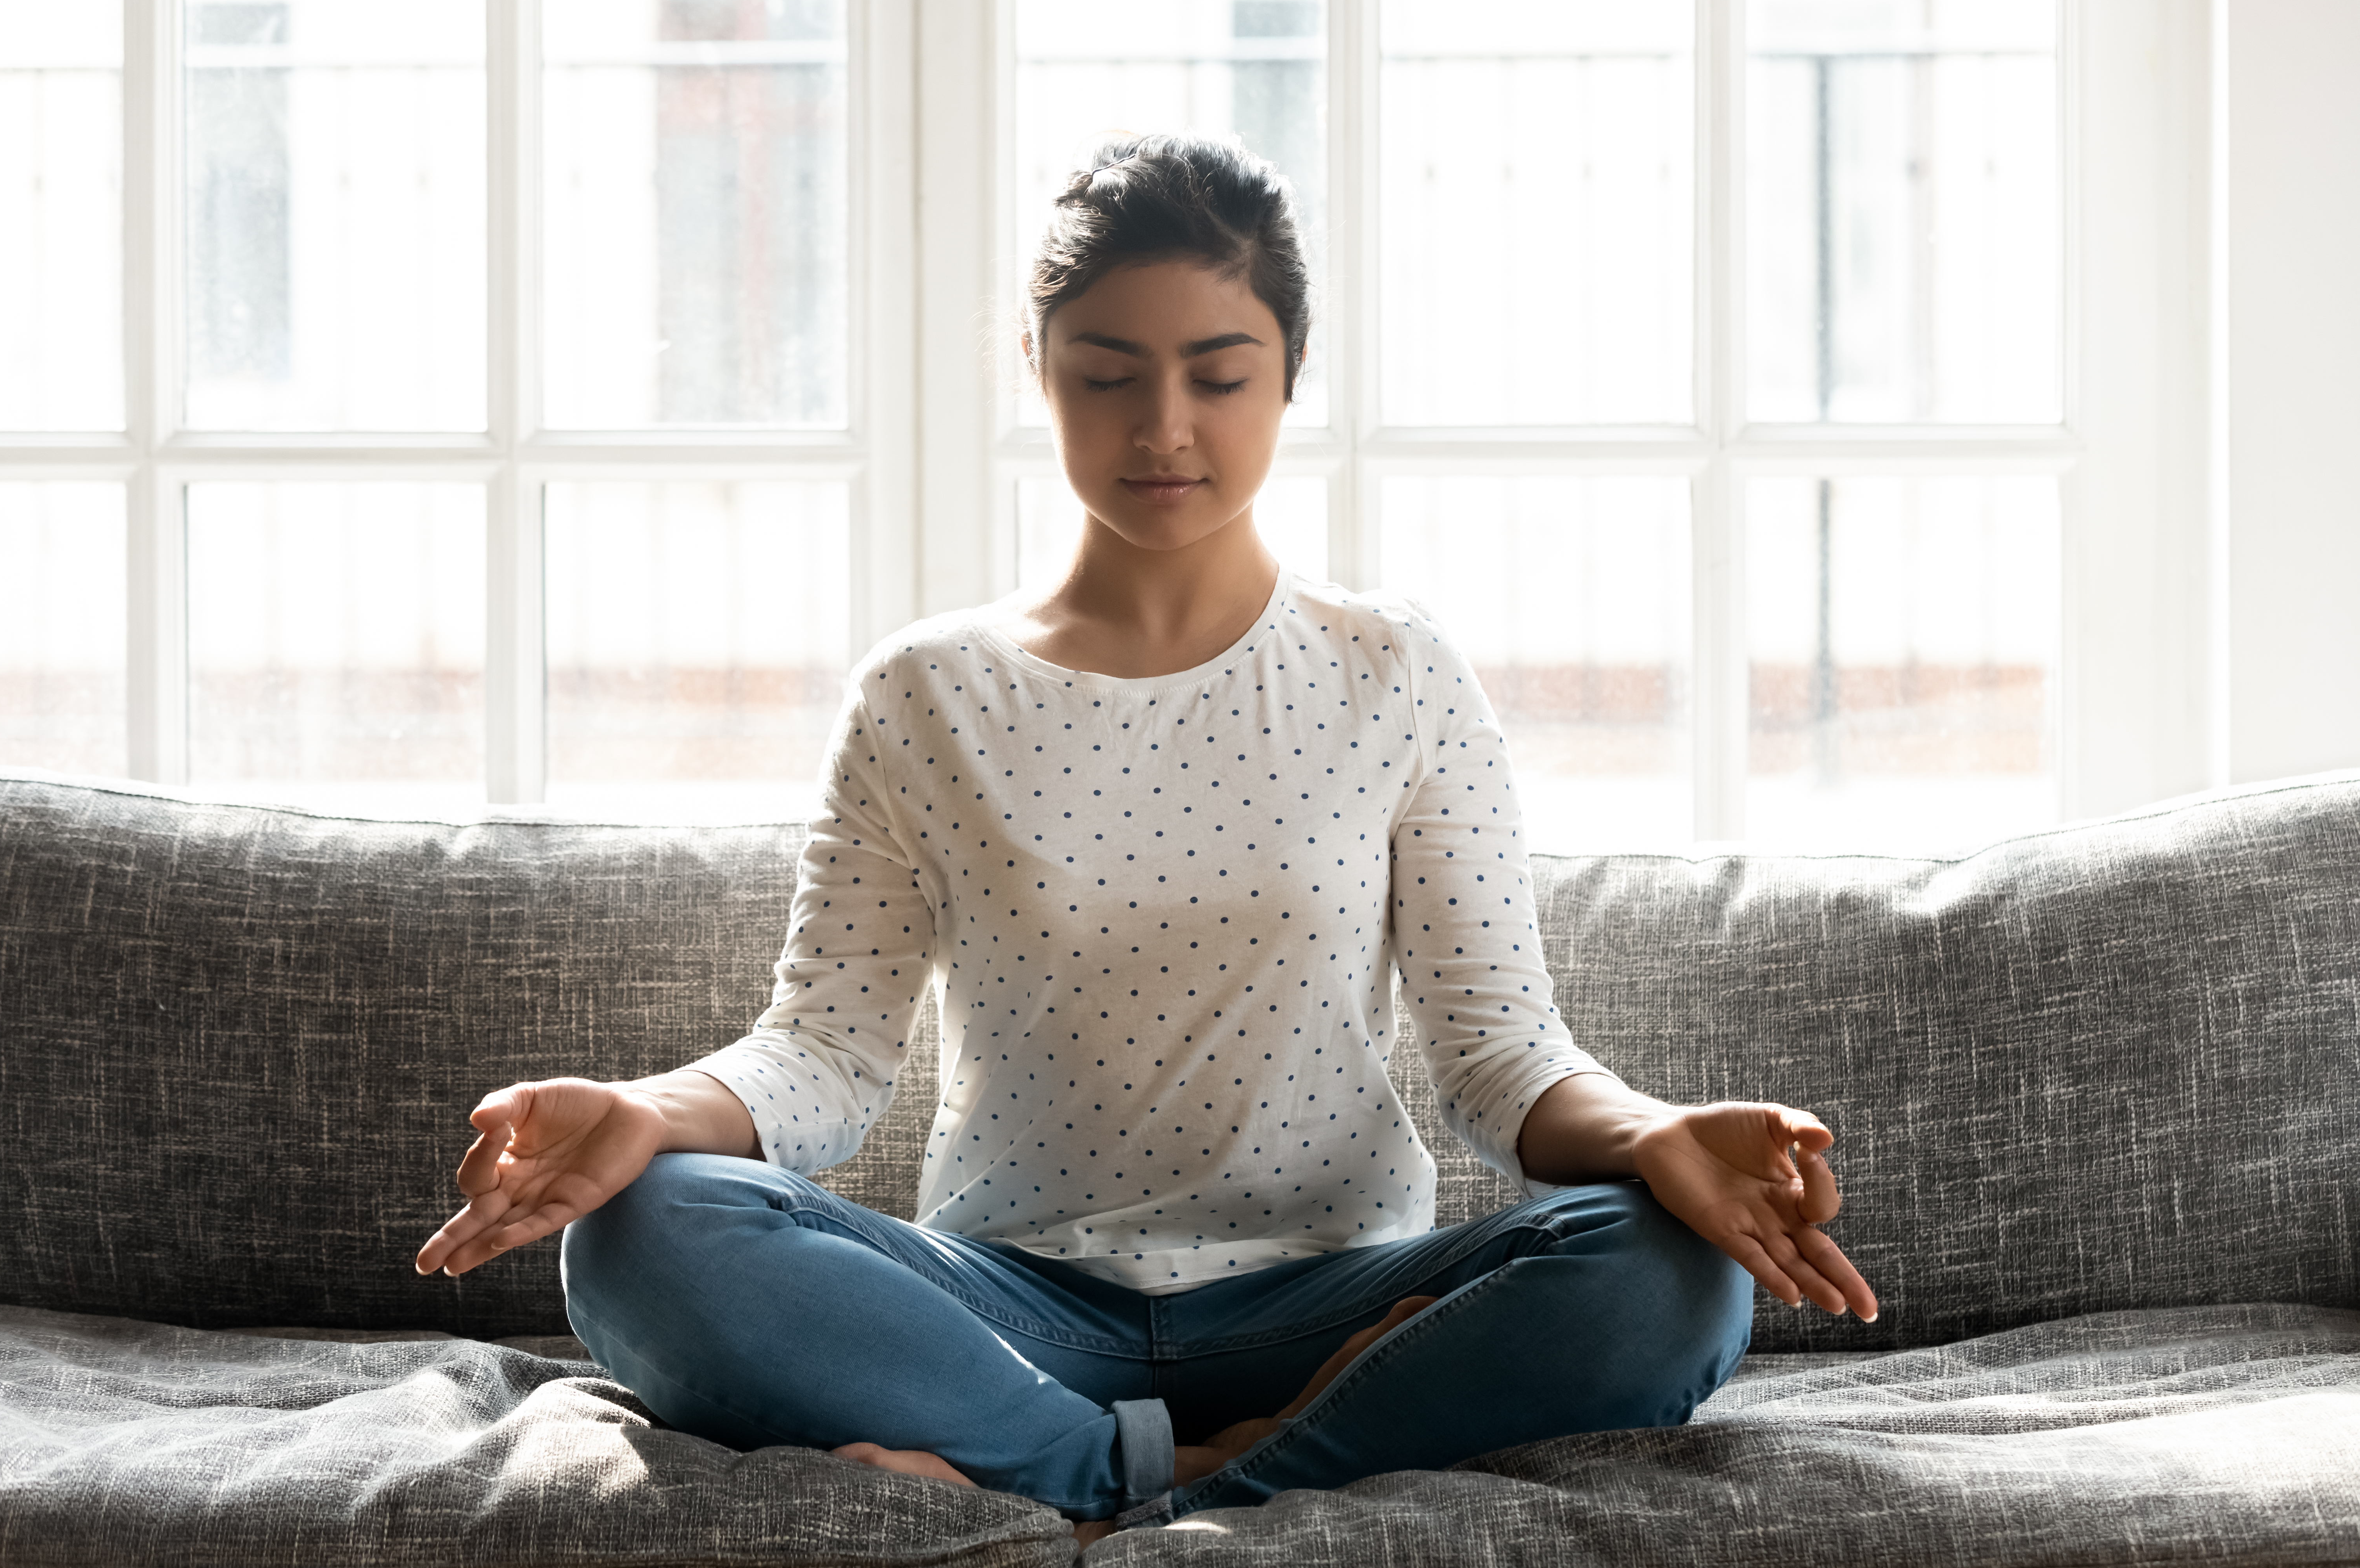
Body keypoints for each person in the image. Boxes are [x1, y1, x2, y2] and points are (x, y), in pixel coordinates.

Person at [414, 132, 1878, 1545]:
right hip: (1004, 1306)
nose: (1163, 427)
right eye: (1107, 376)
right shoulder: (929, 692)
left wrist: (1654, 1137)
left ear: (1290, 376)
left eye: (1217, 375)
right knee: (641, 1232)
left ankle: (1073, 1483)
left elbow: (1502, 1056)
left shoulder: (1395, 673)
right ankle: (1196, 1476)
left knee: (1668, 1267)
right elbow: (826, 1057)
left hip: (1341, 1304)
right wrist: (649, 1111)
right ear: (1041, 378)